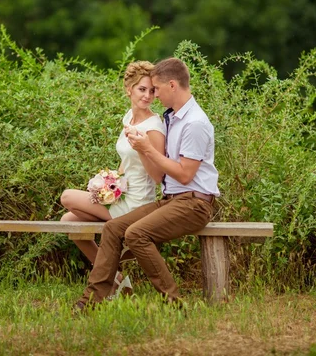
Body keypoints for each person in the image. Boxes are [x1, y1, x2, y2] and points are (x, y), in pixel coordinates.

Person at [73, 57, 219, 312]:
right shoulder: (175, 117)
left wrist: (146, 149)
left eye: (157, 89)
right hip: (172, 200)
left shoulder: (195, 123)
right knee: (114, 229)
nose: (155, 96)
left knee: (136, 234)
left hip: (194, 204)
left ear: (172, 85)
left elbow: (185, 176)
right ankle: (91, 301)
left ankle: (174, 304)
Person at [60, 61, 166, 297]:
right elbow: (125, 162)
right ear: (128, 88)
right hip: (122, 195)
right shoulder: (129, 117)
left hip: (137, 203)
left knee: (67, 197)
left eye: (151, 91)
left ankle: (108, 281)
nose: (148, 96)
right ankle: (117, 280)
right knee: (69, 220)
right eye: (142, 89)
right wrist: (110, 182)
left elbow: (158, 176)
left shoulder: (154, 127)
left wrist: (142, 147)